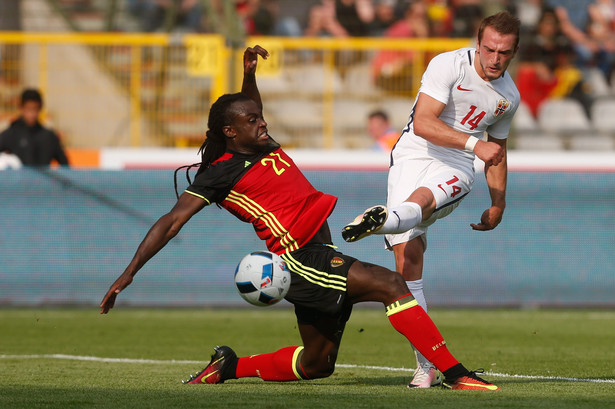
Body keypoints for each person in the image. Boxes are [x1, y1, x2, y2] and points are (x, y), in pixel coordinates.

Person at [100, 45, 499, 391]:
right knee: (391, 284)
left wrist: (248, 76)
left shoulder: (258, 142)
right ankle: (455, 373)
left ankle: (230, 366)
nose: (263, 123)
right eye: (252, 121)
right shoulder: (220, 172)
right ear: (230, 132)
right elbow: (171, 221)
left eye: (259, 117)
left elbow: (247, 109)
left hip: (317, 249)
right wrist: (130, 271)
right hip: (299, 258)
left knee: (316, 364)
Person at [342, 11, 520, 388]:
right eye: (489, 49)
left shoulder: (509, 97)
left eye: (504, 53)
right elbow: (423, 122)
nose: (495, 58)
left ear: (514, 52)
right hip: (413, 152)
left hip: (456, 164)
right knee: (407, 263)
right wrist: (477, 143)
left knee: (420, 204)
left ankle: (384, 221)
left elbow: (497, 152)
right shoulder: (448, 65)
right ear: (478, 42)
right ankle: (426, 365)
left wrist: (498, 203)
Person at [0, 89, 69, 167]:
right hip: (19, 178)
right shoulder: (10, 134)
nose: (32, 114)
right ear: (21, 108)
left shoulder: (49, 137)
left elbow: (65, 166)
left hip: (43, 179)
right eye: (28, 109)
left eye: (35, 109)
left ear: (40, 108)